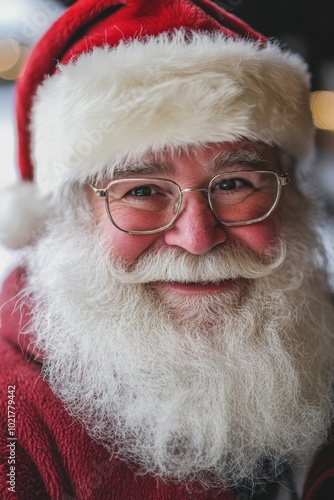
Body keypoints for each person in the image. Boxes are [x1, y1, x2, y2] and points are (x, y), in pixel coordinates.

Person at [0, 0, 333, 498]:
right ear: (63, 218)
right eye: (140, 190)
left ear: (291, 196)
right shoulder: (14, 422)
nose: (198, 239)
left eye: (236, 182)